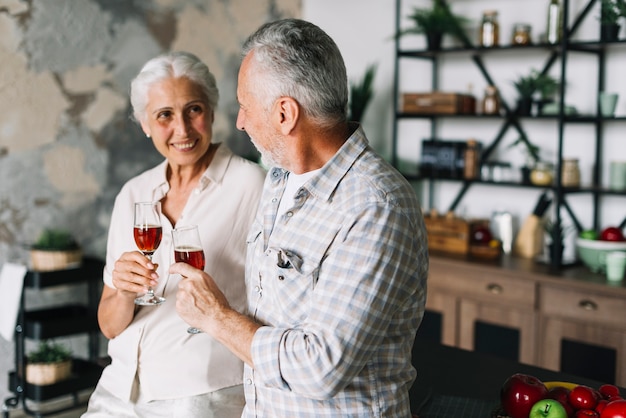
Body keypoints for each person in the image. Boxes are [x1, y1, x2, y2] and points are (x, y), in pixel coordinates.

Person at [173, 19, 429, 417]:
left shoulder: (376, 206)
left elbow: (319, 369)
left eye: (245, 106)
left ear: (285, 114)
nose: (239, 121)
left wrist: (216, 317)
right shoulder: (279, 177)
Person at [82, 51, 266, 418]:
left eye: (193, 110)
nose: (182, 130)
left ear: (212, 111)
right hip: (119, 388)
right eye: (164, 115)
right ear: (145, 124)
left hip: (201, 391)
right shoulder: (133, 194)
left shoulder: (252, 185)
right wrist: (124, 292)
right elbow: (109, 325)